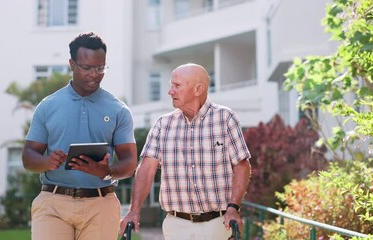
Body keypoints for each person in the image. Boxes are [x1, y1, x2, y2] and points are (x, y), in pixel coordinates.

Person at [22, 32, 138, 240]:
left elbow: (130, 162)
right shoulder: (48, 106)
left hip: (101, 204)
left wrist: (107, 171)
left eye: (100, 67)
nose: (94, 74)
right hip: (53, 203)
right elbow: (29, 156)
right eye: (86, 68)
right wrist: (47, 162)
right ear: (72, 64)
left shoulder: (118, 110)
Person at [120, 63, 251, 240]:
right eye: (171, 85)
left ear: (198, 89)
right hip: (177, 225)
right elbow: (146, 169)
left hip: (218, 223)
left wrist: (234, 207)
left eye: (177, 85)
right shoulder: (162, 125)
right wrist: (133, 211)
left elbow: (242, 166)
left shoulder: (225, 119)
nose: (170, 91)